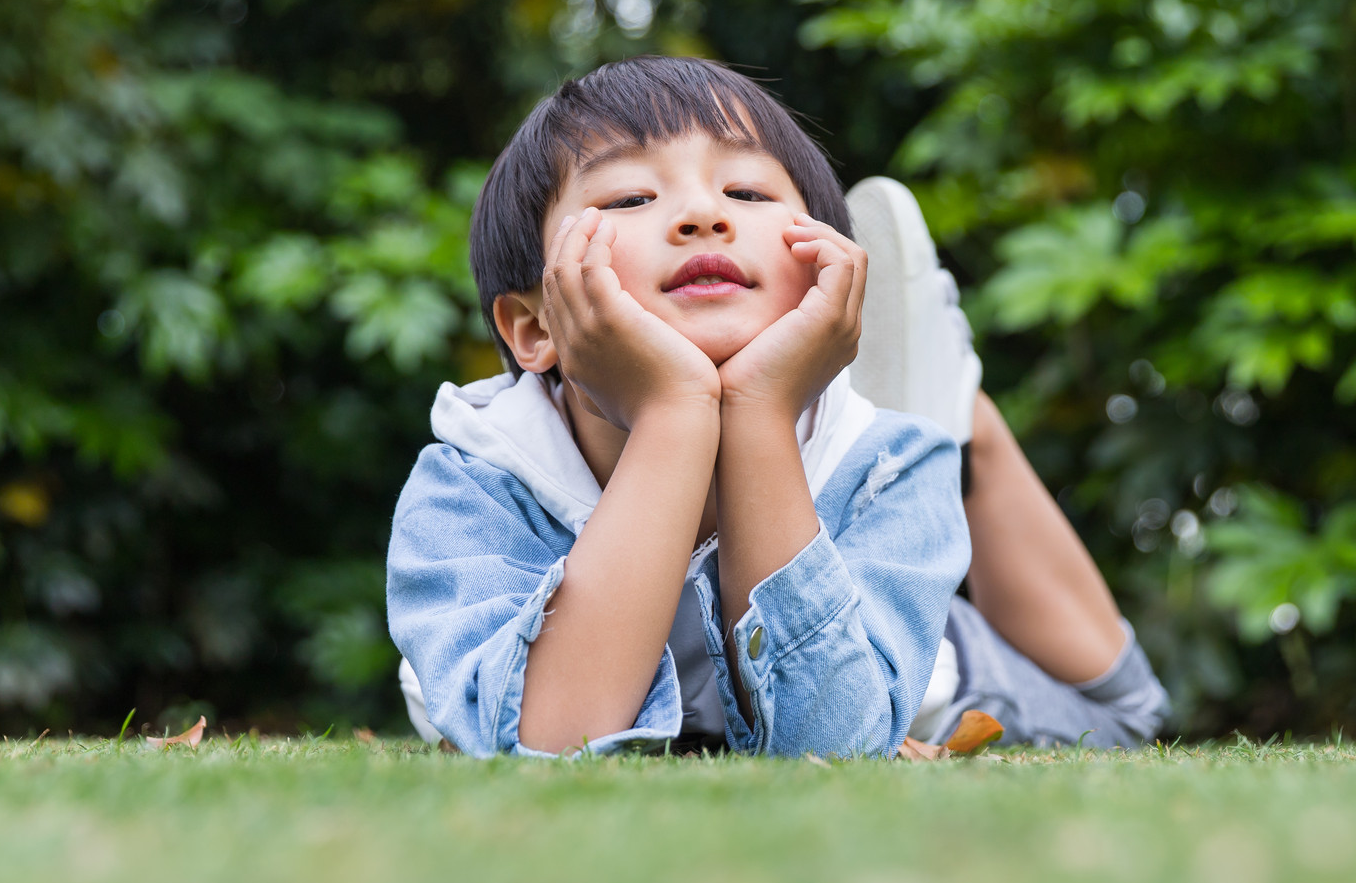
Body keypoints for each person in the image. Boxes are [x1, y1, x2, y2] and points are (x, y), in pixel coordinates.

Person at [386, 56, 1165, 758]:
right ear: (533, 326)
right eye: (630, 195)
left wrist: (758, 409)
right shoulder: (473, 482)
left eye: (748, 191)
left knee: (1127, 715)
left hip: (889, 617)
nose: (701, 215)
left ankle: (963, 415)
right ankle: (944, 397)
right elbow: (548, 743)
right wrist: (675, 413)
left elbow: (832, 748)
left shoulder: (883, 468)